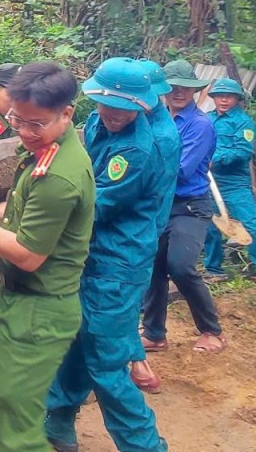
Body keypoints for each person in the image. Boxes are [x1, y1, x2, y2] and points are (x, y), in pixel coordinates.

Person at [0, 62, 94, 452]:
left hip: (40, 312)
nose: (25, 133)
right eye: (17, 120)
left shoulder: (59, 176)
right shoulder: (46, 151)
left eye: (36, 124)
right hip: (14, 300)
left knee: (14, 425)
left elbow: (28, 254)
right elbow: (16, 215)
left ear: (66, 114)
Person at [45, 57, 168, 452]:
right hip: (91, 254)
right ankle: (58, 423)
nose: (112, 113)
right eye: (104, 103)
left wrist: (34, 216)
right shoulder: (98, 124)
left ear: (142, 105)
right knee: (77, 342)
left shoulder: (137, 150)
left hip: (118, 263)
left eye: (124, 107)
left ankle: (144, 445)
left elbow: (92, 207)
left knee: (107, 364)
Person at [141, 60, 225, 355]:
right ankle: (154, 333)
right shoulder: (155, 118)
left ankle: (211, 330)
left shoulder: (199, 125)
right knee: (154, 265)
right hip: (159, 203)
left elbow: (180, 170)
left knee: (180, 265)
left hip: (188, 205)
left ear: (194, 91)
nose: (178, 92)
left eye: (185, 88)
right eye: (173, 87)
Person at [202, 79, 256, 298]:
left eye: (229, 96)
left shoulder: (243, 123)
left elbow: (242, 151)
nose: (223, 100)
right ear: (213, 98)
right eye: (219, 96)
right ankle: (213, 269)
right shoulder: (206, 120)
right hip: (208, 182)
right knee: (210, 227)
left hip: (234, 185)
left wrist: (215, 159)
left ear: (237, 99)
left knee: (252, 226)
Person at [128, 60, 180, 394]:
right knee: (129, 296)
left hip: (137, 229)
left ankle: (136, 366)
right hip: (140, 227)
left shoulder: (157, 137)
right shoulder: (145, 123)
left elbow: (128, 193)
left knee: (125, 296)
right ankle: (137, 364)